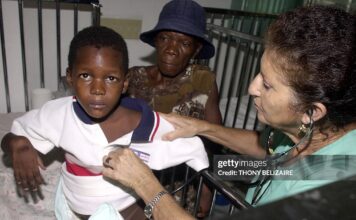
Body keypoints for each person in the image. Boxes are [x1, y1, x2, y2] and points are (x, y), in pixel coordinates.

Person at [101, 5, 356, 218]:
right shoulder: (311, 130)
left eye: (267, 85)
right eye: (260, 74)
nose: (252, 87)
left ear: (312, 111)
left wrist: (145, 184)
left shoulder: (329, 190)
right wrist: (204, 131)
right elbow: (273, 154)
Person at [1, 26, 209, 219]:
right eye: (85, 75)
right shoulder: (58, 114)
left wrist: (206, 188)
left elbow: (194, 148)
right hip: (72, 208)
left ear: (125, 82)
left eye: (110, 78)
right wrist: (17, 145)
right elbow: (13, 134)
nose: (97, 89)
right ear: (70, 77)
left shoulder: (144, 123)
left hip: (126, 210)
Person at [126, 0, 222, 217]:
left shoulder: (203, 81)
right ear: (156, 42)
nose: (171, 50)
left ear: (196, 49)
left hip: (179, 182)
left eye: (184, 43)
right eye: (165, 38)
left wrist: (206, 191)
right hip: (133, 178)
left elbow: (214, 139)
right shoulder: (133, 77)